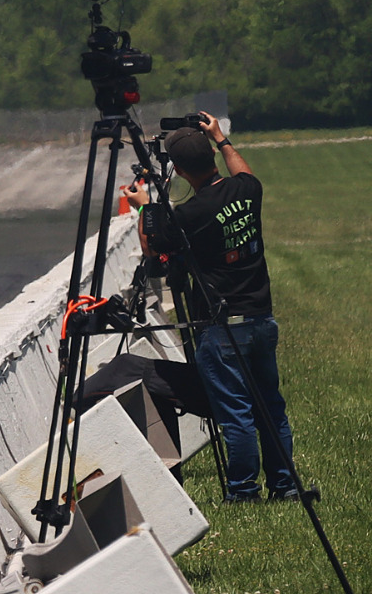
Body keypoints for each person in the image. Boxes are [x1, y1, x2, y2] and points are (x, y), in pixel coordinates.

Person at [122, 112, 306, 504]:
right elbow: (246, 174)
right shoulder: (245, 191)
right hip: (260, 317)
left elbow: (155, 251)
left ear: (180, 169)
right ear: (211, 156)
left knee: (236, 413)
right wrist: (221, 138)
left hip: (221, 326)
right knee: (271, 409)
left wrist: (143, 208)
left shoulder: (189, 215)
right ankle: (285, 487)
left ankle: (243, 492)